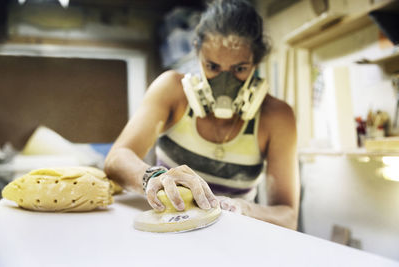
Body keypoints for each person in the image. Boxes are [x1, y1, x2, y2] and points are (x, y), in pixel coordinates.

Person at [104, 0, 300, 230]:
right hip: (171, 228)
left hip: (234, 234)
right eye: (213, 67)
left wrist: (244, 209)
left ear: (255, 63)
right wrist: (153, 178)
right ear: (197, 54)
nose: (224, 84)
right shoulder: (172, 91)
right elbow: (117, 158)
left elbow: (288, 216)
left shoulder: (276, 117)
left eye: (239, 69)